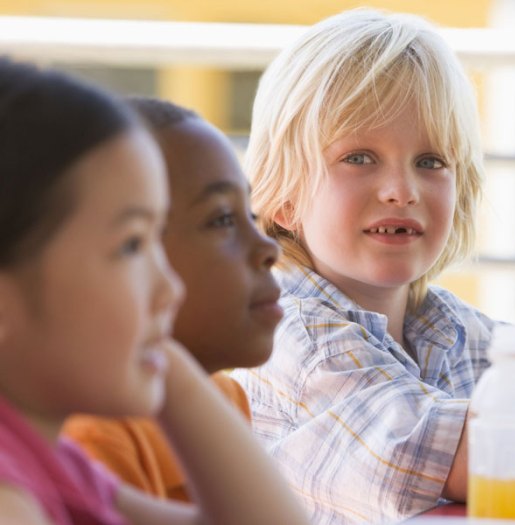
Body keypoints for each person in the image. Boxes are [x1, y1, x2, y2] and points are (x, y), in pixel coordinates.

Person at [231, 8, 515, 524]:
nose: (401, 190)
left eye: (430, 162)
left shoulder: (452, 331)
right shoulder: (290, 337)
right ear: (285, 200)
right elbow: (487, 456)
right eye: (359, 157)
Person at [0, 58, 308, 525]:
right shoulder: (12, 500)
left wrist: (173, 375)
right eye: (131, 245)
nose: (168, 287)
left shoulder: (61, 467)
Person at [62, 96, 283, 502]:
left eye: (251, 216)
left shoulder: (219, 396)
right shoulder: (95, 434)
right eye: (221, 219)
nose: (269, 247)